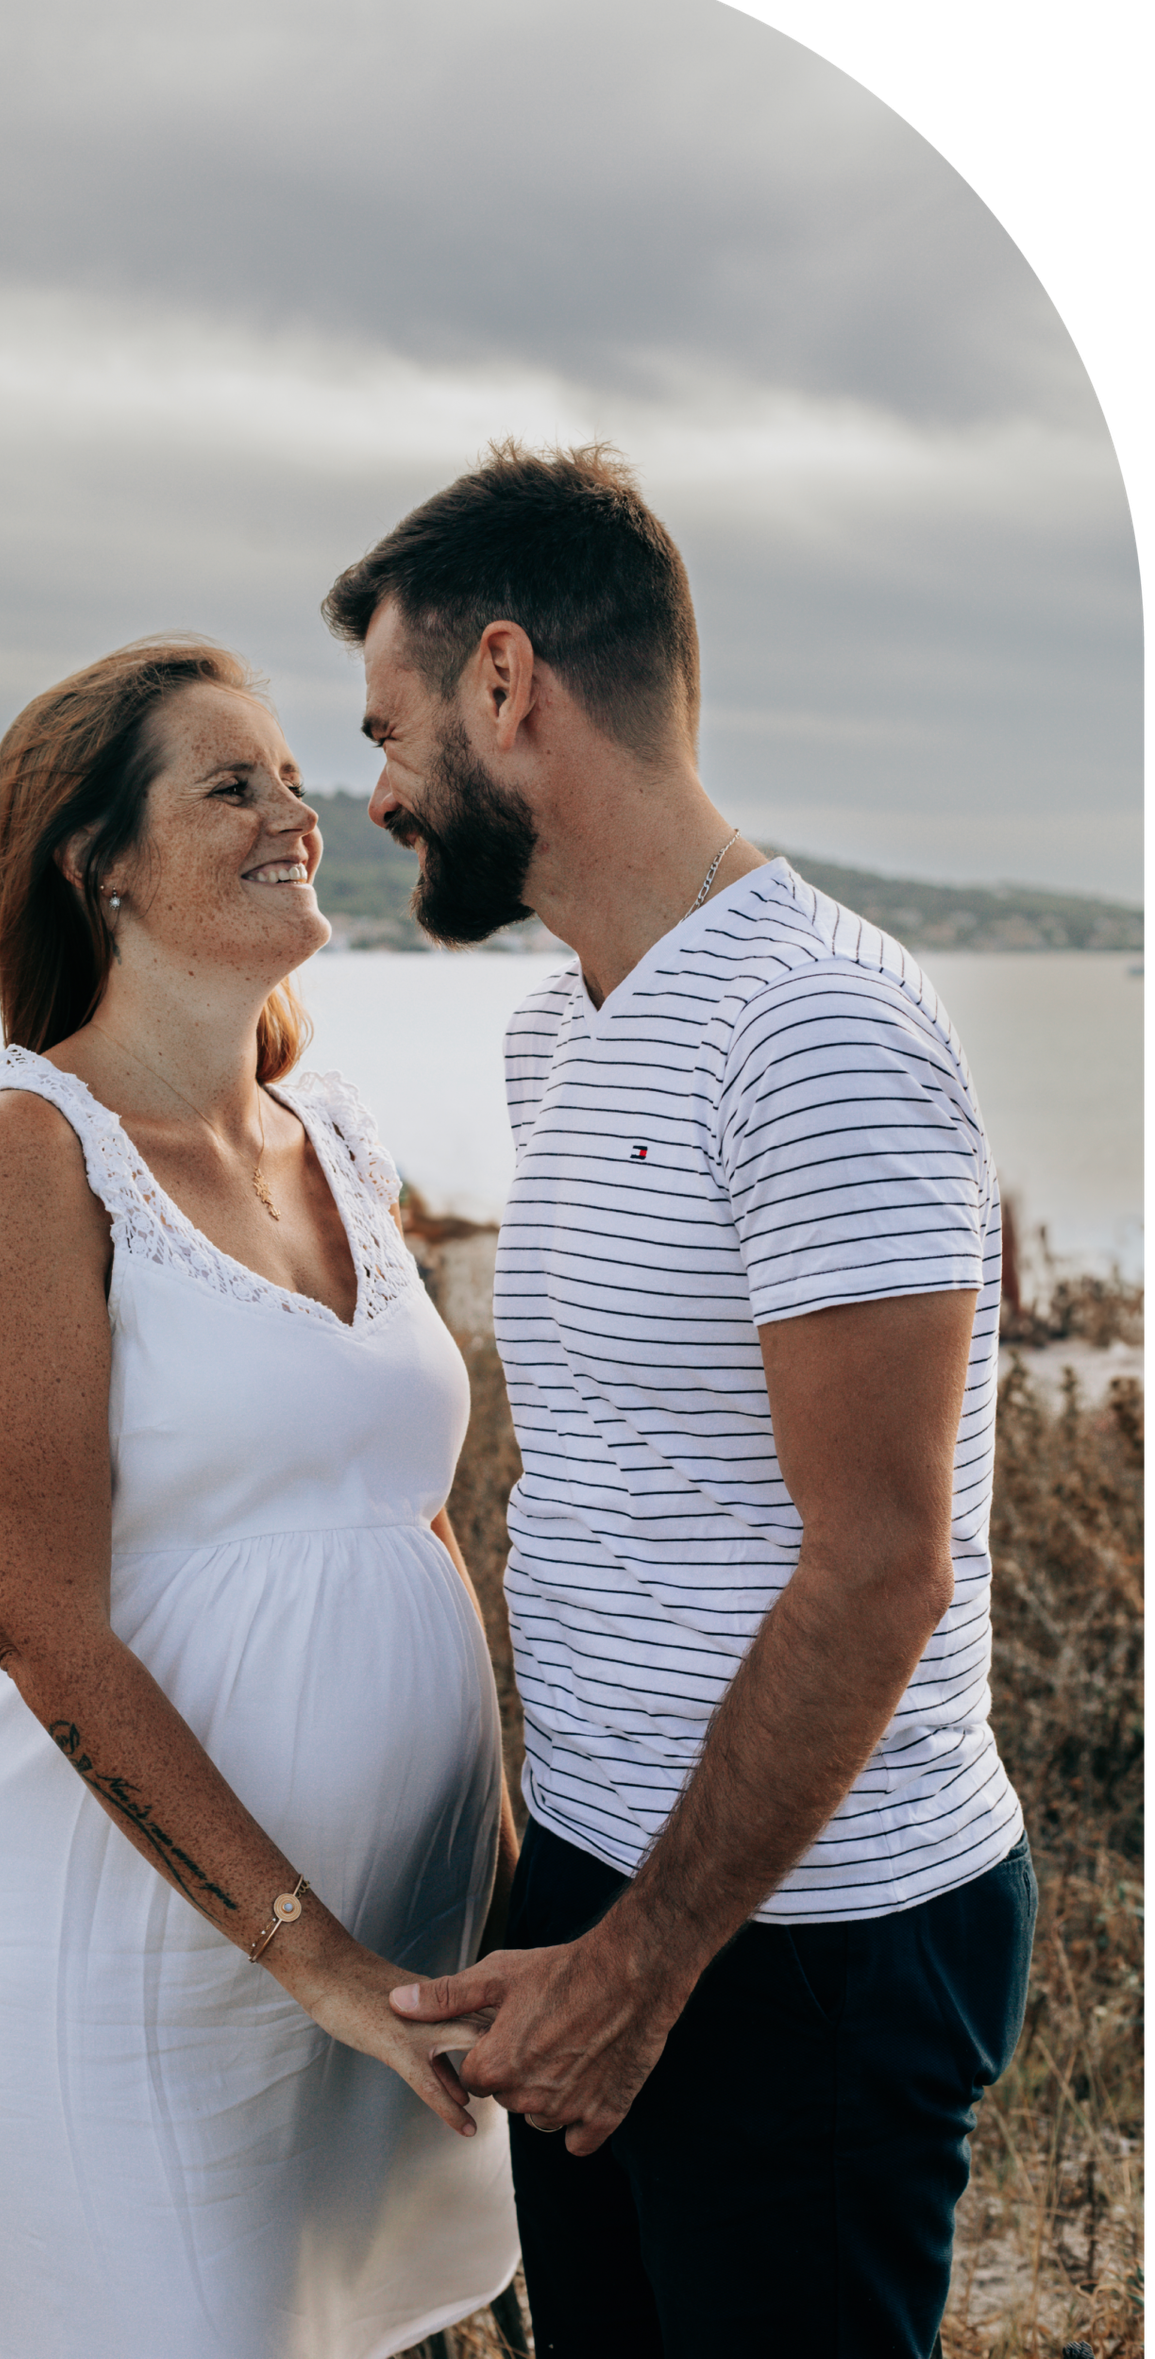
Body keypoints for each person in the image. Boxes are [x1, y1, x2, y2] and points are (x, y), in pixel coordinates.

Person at [321, 445, 1037, 2358]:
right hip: (605, 1887)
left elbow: (883, 1563)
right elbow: (623, 1484)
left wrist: (651, 1963)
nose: (375, 792)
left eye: (390, 728)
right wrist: (566, 1893)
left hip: (799, 1940)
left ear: (505, 683)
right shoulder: (562, 1029)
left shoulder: (820, 1028)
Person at [0, 637, 521, 2359]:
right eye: (232, 784)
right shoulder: (24, 1154)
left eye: (296, 777)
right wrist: (316, 1961)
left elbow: (410, 1511)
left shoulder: (341, 1142)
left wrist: (495, 1834)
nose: (299, 813)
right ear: (100, 867)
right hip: (108, 1941)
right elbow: (34, 1614)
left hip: (383, 1922)